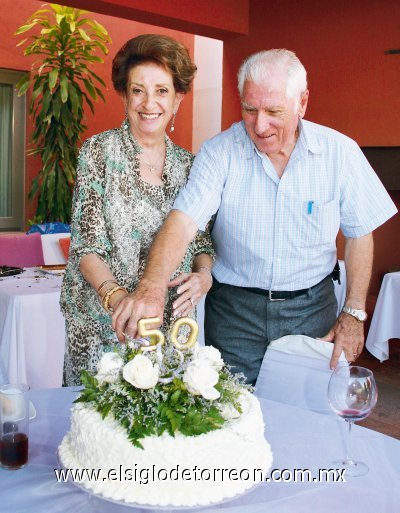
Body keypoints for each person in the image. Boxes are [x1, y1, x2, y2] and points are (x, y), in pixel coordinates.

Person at [112, 49, 397, 385]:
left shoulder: (340, 153)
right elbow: (183, 221)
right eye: (250, 109)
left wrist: (353, 312)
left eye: (274, 111)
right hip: (234, 313)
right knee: (231, 415)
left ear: (302, 103)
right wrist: (151, 286)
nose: (260, 125)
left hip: (310, 312)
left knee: (307, 420)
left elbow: (360, 232)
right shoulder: (220, 152)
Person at [60, 34, 214, 386]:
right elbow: (86, 248)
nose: (149, 103)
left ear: (178, 99)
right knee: (101, 429)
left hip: (172, 329)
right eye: (138, 90)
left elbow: (203, 244)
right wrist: (121, 302)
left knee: (165, 430)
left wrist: (203, 276)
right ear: (124, 95)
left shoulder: (191, 167)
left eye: (162, 90)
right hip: (105, 327)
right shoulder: (98, 153)